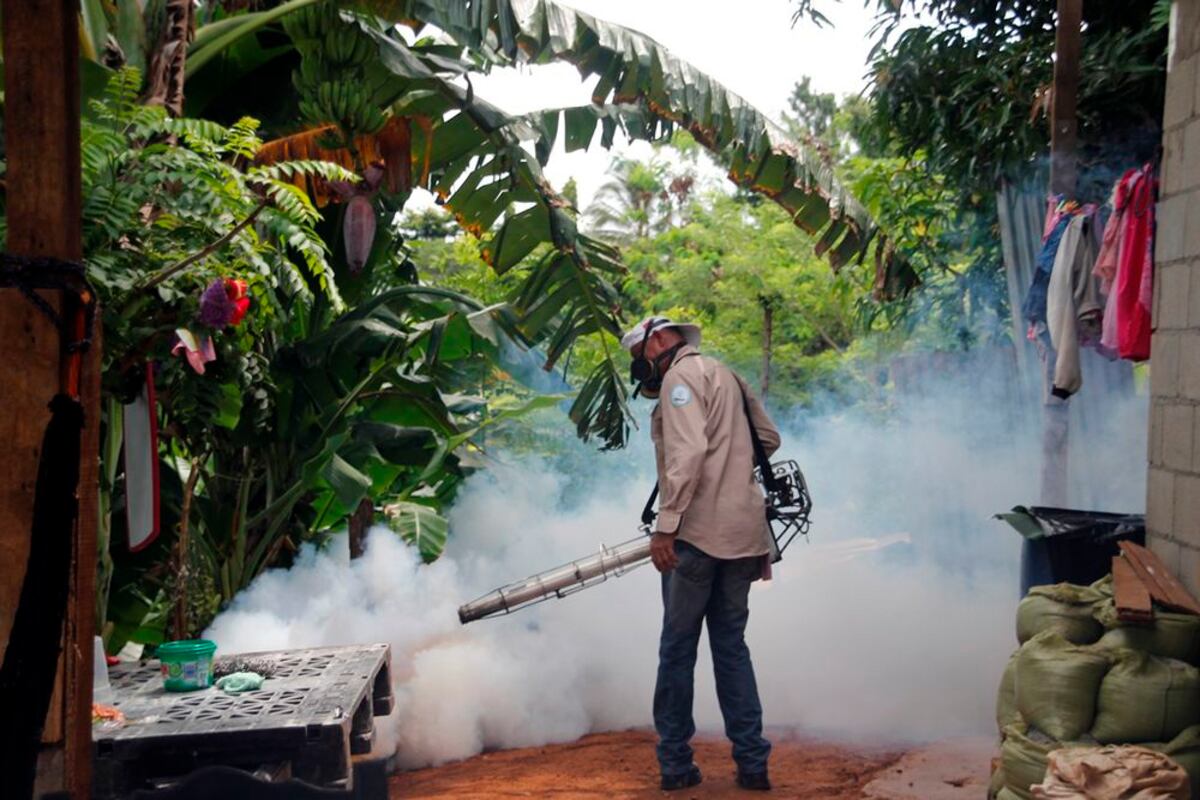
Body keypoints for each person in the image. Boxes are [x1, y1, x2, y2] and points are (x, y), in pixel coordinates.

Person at [620, 315, 780, 792]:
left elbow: (686, 456)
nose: (640, 367)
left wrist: (665, 529)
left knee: (677, 650)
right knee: (732, 648)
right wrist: (731, 473)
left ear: (660, 341)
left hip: (695, 537)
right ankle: (753, 765)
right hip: (742, 534)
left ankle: (675, 766)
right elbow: (767, 440)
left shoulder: (678, 379)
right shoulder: (728, 374)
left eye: (639, 357)